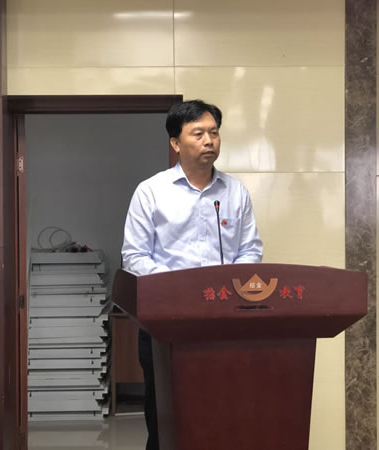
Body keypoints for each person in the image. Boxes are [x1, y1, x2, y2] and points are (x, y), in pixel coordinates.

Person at [121, 99, 263, 450]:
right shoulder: (151, 192)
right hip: (165, 325)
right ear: (175, 143)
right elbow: (134, 256)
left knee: (221, 417)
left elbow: (250, 250)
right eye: (198, 133)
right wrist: (180, 289)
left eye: (214, 132)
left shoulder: (235, 192)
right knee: (166, 422)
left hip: (222, 323)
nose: (209, 140)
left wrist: (229, 288)